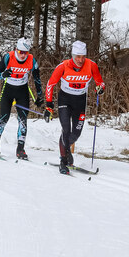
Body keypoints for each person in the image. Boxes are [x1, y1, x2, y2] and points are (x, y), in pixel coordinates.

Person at [44, 40, 105, 174]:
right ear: (72, 55)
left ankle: (66, 150)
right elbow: (50, 84)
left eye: (83, 57)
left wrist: (100, 88)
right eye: (78, 57)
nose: (80, 60)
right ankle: (63, 161)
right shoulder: (63, 66)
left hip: (80, 101)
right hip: (65, 100)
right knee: (66, 129)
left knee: (76, 134)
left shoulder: (91, 65)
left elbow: (100, 82)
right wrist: (49, 105)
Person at [0, 38, 44, 160]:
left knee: (23, 120)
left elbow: (37, 79)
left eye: (25, 52)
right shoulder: (8, 57)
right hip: (8, 89)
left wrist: (39, 96)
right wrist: (3, 75)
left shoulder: (31, 60)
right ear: (16, 49)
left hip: (22, 91)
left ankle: (20, 149)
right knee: (4, 117)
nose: (23, 55)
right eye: (20, 52)